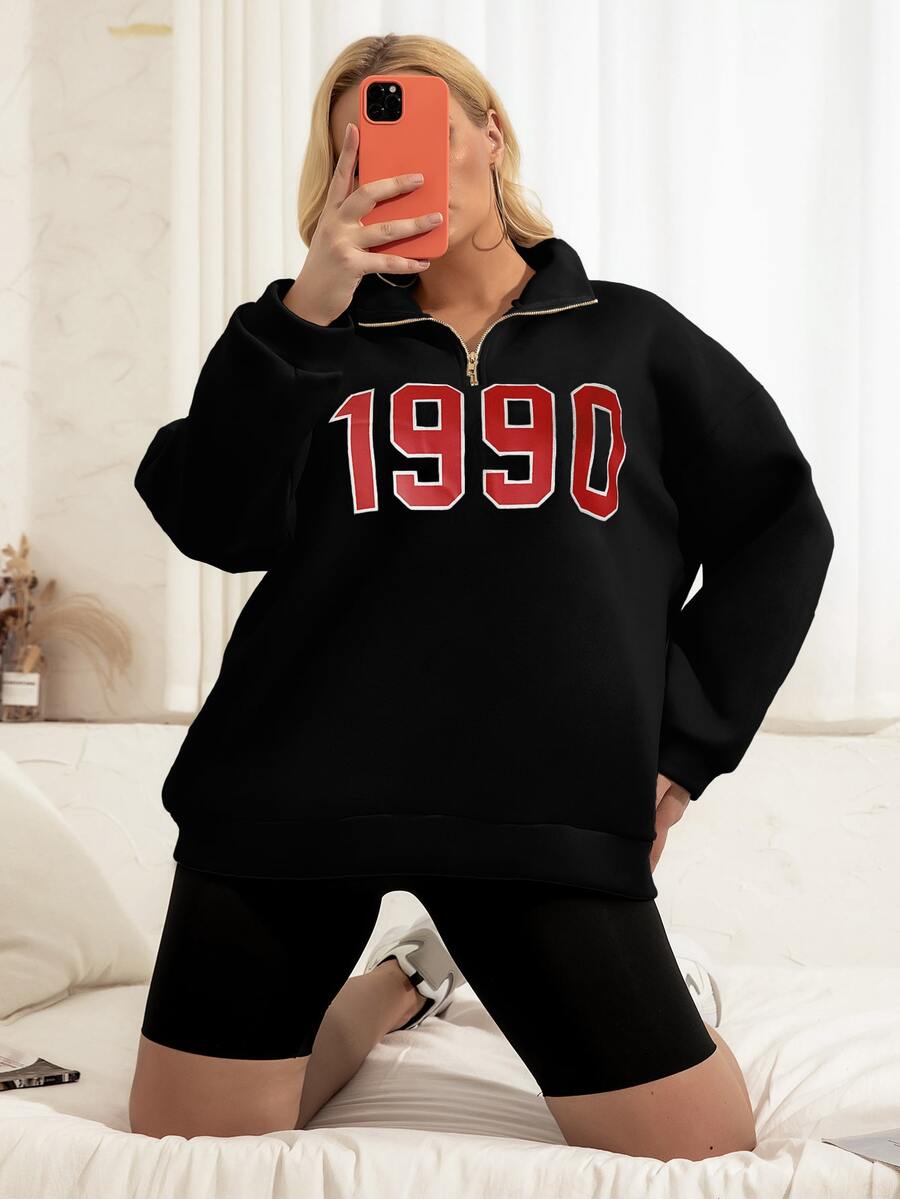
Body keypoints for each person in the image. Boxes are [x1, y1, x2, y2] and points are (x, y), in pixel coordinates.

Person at [128, 34, 834, 1161]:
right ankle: (402, 983)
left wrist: (685, 744)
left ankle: (439, 965)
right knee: (185, 1137)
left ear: (490, 135)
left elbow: (779, 526)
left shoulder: (631, 336)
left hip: (540, 803)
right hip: (289, 792)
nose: (394, 169)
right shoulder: (301, 339)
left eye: (425, 134)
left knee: (699, 1149)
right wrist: (310, 305)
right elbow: (214, 522)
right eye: (359, 150)